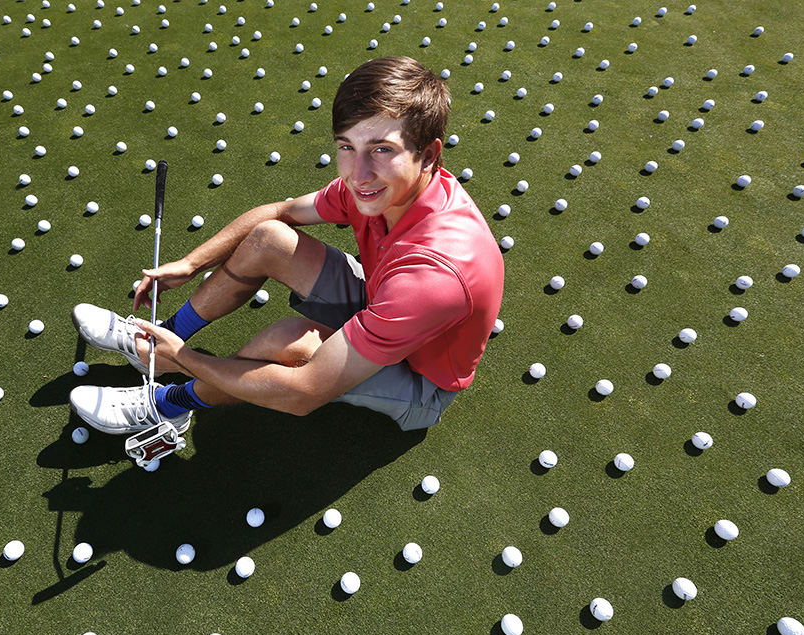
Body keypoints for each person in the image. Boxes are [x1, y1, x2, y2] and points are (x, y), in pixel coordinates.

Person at [69, 56, 504, 454]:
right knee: (269, 239)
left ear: (428, 155)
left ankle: (170, 402)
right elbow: (279, 213)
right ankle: (154, 344)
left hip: (421, 379)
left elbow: (303, 394)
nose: (358, 172)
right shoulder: (376, 188)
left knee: (287, 341)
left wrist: (185, 357)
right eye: (347, 147)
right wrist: (190, 264)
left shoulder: (434, 278)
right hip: (383, 298)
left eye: (382, 149)